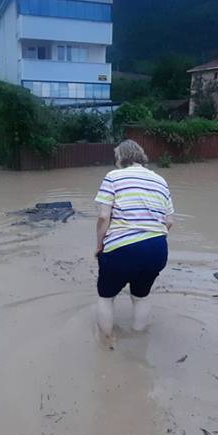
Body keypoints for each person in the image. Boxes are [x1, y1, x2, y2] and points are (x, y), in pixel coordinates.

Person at [93, 139, 174, 337]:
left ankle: (105, 342)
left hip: (122, 249)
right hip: (157, 249)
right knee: (141, 297)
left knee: (106, 297)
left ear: (121, 157)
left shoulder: (113, 177)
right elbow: (169, 221)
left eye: (116, 157)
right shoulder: (160, 180)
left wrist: (99, 245)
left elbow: (104, 217)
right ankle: (138, 340)